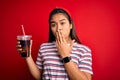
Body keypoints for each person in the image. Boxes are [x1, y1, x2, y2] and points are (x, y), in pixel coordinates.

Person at [17, 8, 93, 80]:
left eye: (62, 23)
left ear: (70, 25)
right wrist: (28, 56)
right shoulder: (44, 47)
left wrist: (65, 55)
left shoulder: (84, 50)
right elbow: (39, 76)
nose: (58, 28)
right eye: (53, 25)